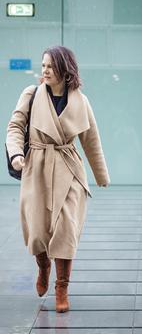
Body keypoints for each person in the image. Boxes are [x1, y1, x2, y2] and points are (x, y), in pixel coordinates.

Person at [5, 46, 110, 313]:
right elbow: (15, 127)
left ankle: (62, 287)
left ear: (65, 69)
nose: (45, 71)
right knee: (38, 230)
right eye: (43, 66)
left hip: (69, 168)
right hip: (36, 166)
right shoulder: (31, 95)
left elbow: (91, 139)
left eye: (50, 66)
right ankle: (43, 268)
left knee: (65, 229)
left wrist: (101, 174)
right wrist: (16, 153)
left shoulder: (80, 101)